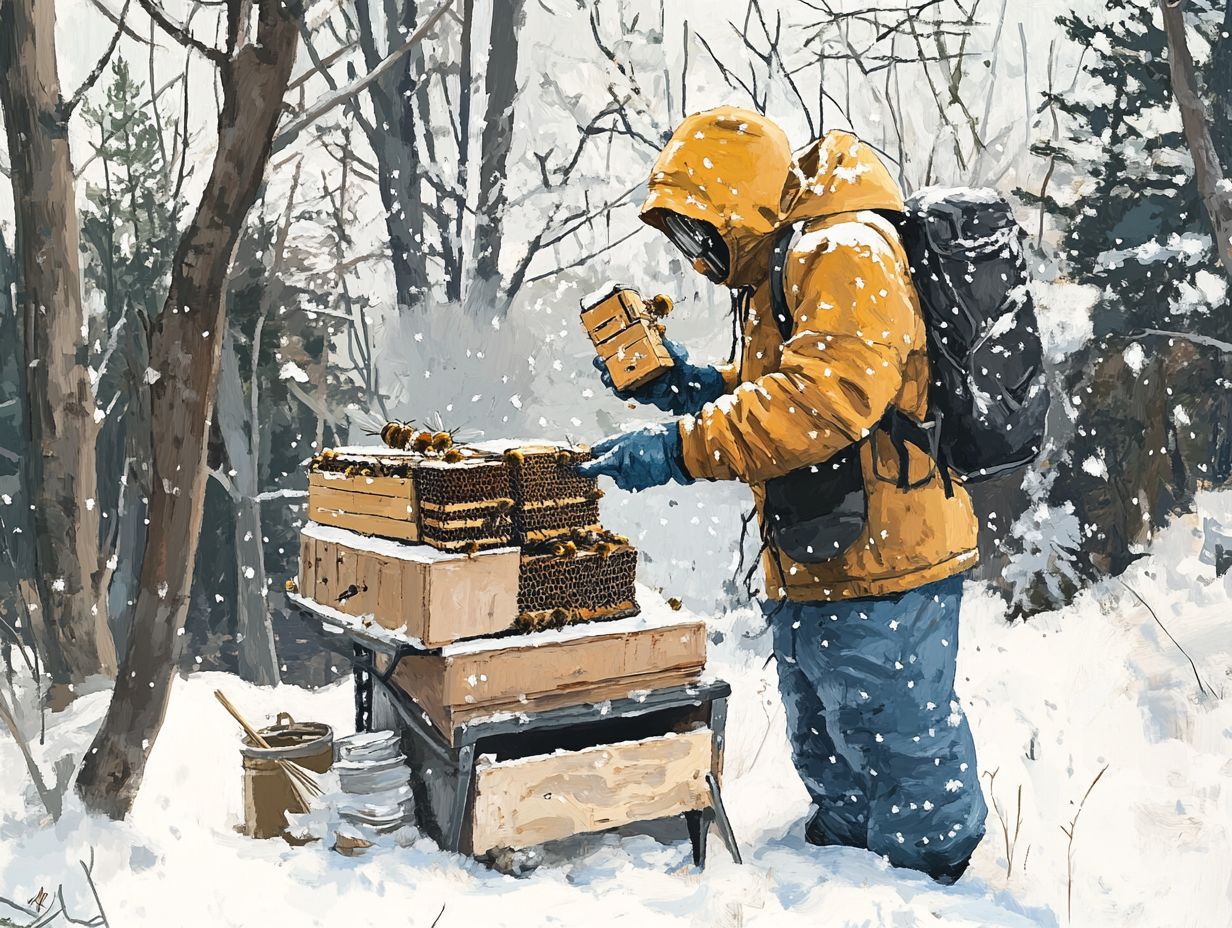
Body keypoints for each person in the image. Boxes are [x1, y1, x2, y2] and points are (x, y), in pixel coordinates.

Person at [579, 106, 987, 883]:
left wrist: (679, 449)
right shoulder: (791, 258)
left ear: (745, 203)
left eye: (705, 233)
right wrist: (689, 387)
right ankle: (849, 876)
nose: (699, 259)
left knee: (901, 749)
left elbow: (827, 401)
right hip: (826, 554)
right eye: (684, 238)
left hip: (887, 557)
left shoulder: (843, 249)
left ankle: (936, 890)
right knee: (830, 744)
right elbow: (785, 386)